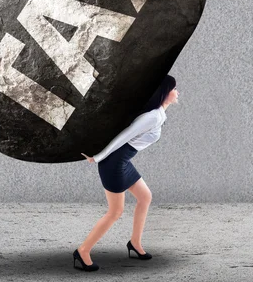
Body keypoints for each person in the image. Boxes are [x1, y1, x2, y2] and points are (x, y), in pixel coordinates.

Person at [75, 75, 179, 272]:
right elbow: (124, 136)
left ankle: (135, 244)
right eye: (174, 88)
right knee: (116, 212)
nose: (178, 92)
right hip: (113, 163)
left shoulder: (159, 114)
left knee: (145, 197)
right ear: (165, 93)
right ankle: (82, 251)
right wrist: (98, 157)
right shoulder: (152, 117)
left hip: (122, 161)